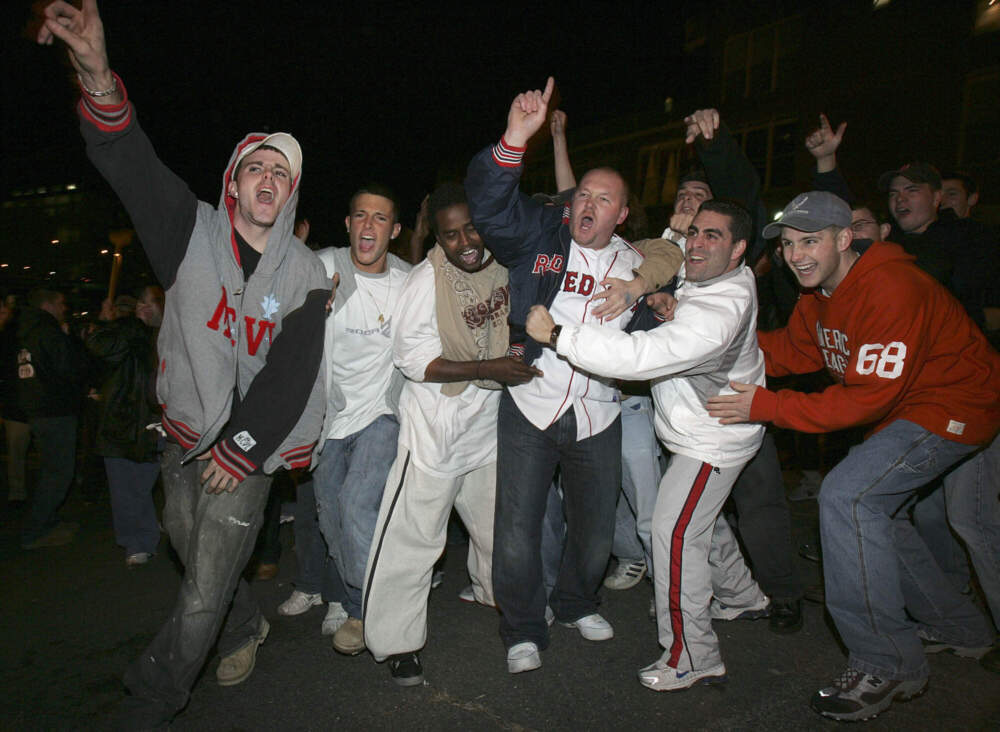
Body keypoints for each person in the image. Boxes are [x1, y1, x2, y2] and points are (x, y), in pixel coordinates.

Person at [38, 2, 330, 727]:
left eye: (282, 173)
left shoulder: (304, 275)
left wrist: (243, 447)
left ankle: (149, 697)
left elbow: (293, 373)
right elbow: (130, 162)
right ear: (233, 183)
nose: (268, 178)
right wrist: (97, 73)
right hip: (180, 433)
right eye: (255, 166)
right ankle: (243, 628)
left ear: (291, 196)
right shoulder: (186, 230)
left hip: (248, 448)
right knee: (198, 556)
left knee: (201, 585)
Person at [706, 190, 1000, 721]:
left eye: (810, 241)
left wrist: (765, 406)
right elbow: (794, 351)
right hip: (911, 407)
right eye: (791, 243)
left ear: (845, 239)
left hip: (956, 406)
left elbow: (867, 397)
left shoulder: (892, 286)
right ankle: (959, 627)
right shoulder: (818, 296)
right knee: (879, 507)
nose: (797, 255)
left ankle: (886, 663)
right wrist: (712, 338)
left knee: (846, 495)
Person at [465, 77, 684, 674]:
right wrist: (516, 137)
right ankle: (523, 628)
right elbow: (487, 207)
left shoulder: (634, 265)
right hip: (532, 403)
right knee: (517, 527)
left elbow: (662, 294)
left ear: (623, 213)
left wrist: (654, 300)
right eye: (583, 194)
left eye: (603, 199)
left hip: (600, 412)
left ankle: (576, 602)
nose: (588, 204)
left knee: (593, 532)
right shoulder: (541, 234)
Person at [525, 198, 769, 691]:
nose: (695, 244)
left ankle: (691, 656)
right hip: (701, 429)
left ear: (740, 248)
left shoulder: (721, 311)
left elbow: (643, 356)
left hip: (712, 441)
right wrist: (660, 293)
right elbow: (667, 256)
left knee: (674, 533)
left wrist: (557, 334)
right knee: (703, 518)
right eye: (695, 231)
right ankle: (743, 597)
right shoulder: (712, 277)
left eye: (712, 236)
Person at [363, 182, 541, 685]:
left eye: (471, 228)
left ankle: (499, 596)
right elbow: (415, 361)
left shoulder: (507, 262)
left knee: (497, 529)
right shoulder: (425, 282)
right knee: (413, 543)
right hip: (435, 434)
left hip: (487, 426)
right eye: (450, 234)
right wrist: (491, 366)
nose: (466, 242)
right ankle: (398, 642)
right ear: (436, 239)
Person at [312, 185, 411, 656]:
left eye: (379, 218)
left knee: (356, 506)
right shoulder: (322, 268)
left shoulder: (410, 282)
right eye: (360, 216)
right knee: (332, 518)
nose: (368, 226)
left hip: (382, 414)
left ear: (394, 230)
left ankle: (369, 609)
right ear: (348, 224)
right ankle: (359, 594)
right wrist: (311, 310)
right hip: (328, 420)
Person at [85, 285, 164, 567]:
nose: (144, 308)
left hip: (160, 424)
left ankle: (145, 530)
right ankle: (137, 541)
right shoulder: (130, 333)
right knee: (125, 489)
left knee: (141, 488)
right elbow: (99, 347)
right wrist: (112, 323)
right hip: (123, 422)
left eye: (151, 303)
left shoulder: (173, 331)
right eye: (140, 303)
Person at [16, 287, 87, 548]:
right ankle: (35, 529)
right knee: (58, 473)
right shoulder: (49, 333)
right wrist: (71, 341)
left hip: (38, 410)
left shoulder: (28, 332)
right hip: (55, 410)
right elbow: (70, 368)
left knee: (51, 470)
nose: (64, 308)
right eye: (60, 303)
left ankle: (47, 521)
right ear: (48, 305)